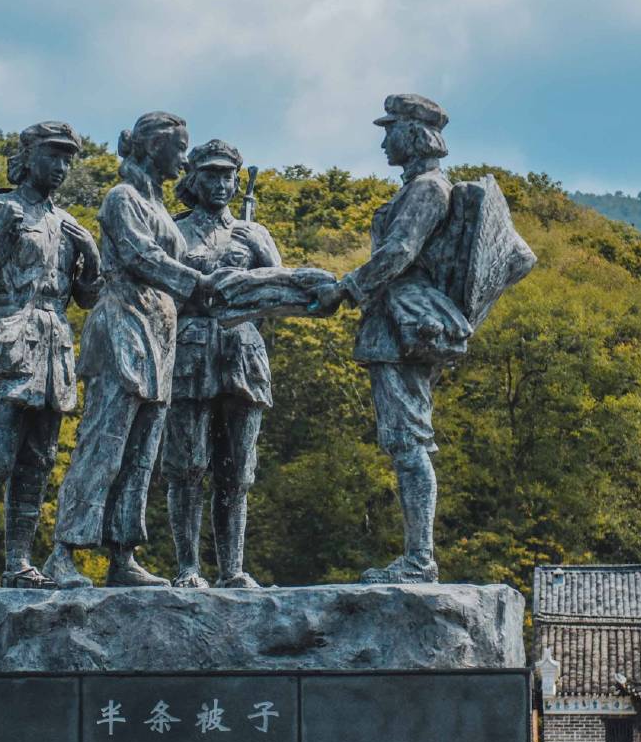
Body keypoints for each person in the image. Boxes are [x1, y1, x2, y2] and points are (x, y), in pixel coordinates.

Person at [42, 111, 220, 588]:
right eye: (179, 148)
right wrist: (196, 281)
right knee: (104, 443)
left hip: (161, 331)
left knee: (143, 451)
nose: (184, 157)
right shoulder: (122, 198)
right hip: (123, 322)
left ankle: (122, 552)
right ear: (152, 146)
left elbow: (180, 262)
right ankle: (64, 553)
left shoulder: (159, 205)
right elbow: (142, 256)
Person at [0, 121, 101, 589]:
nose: (61, 166)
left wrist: (91, 251)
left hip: (53, 350)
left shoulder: (67, 225)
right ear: (27, 157)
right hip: (4, 343)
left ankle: (19, 564)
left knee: (38, 462)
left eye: (68, 158)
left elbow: (88, 298)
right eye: (53, 155)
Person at [308, 94, 456, 583]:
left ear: (412, 134)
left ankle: (420, 559)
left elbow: (399, 251)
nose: (382, 140)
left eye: (389, 130)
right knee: (402, 442)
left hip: (403, 327)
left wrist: (346, 289)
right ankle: (418, 556)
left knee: (410, 442)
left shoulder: (428, 189)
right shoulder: (417, 187)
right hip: (391, 324)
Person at [164, 139, 281, 588]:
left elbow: (277, 295)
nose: (221, 183)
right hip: (191, 351)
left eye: (228, 175)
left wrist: (264, 256)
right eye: (211, 174)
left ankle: (232, 568)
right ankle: (188, 567)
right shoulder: (175, 231)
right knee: (187, 466)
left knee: (238, 470)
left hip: (242, 354)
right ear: (193, 179)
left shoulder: (254, 232)